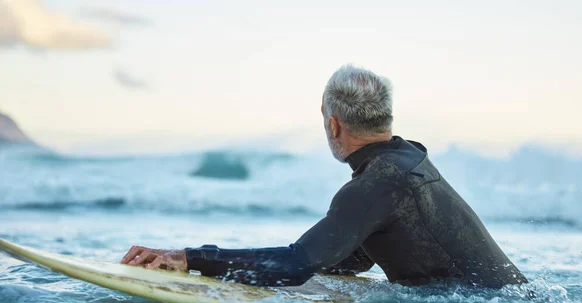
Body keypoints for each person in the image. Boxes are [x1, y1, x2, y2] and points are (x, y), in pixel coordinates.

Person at [121, 65, 528, 289]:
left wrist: (192, 258)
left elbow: (296, 265)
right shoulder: (410, 160)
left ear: (333, 124)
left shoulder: (377, 184)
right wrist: (314, 260)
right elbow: (360, 252)